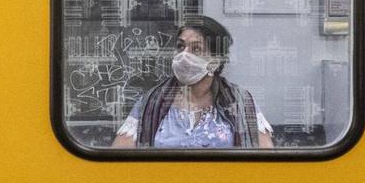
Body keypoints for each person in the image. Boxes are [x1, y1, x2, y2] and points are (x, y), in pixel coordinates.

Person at [111, 16, 274, 149]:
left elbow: (266, 164)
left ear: (215, 61)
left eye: (196, 49)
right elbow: (118, 161)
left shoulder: (241, 102)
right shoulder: (151, 102)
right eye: (180, 46)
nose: (184, 55)